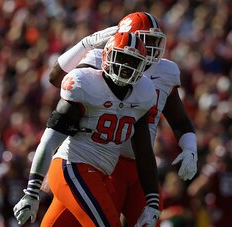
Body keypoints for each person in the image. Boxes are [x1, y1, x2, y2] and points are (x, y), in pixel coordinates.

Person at [49, 12, 198, 226]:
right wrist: (87, 43)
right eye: (145, 40)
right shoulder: (102, 59)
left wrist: (190, 148)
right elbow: (56, 79)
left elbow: (180, 121)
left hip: (143, 166)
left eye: (155, 41)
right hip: (106, 163)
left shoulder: (166, 71)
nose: (151, 48)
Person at [13, 32, 161, 227]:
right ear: (107, 57)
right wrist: (31, 192)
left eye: (133, 61)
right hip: (73, 166)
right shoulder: (86, 84)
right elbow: (49, 141)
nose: (126, 66)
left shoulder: (144, 93)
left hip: (97, 175)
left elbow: (143, 152)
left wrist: (152, 201)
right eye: (122, 58)